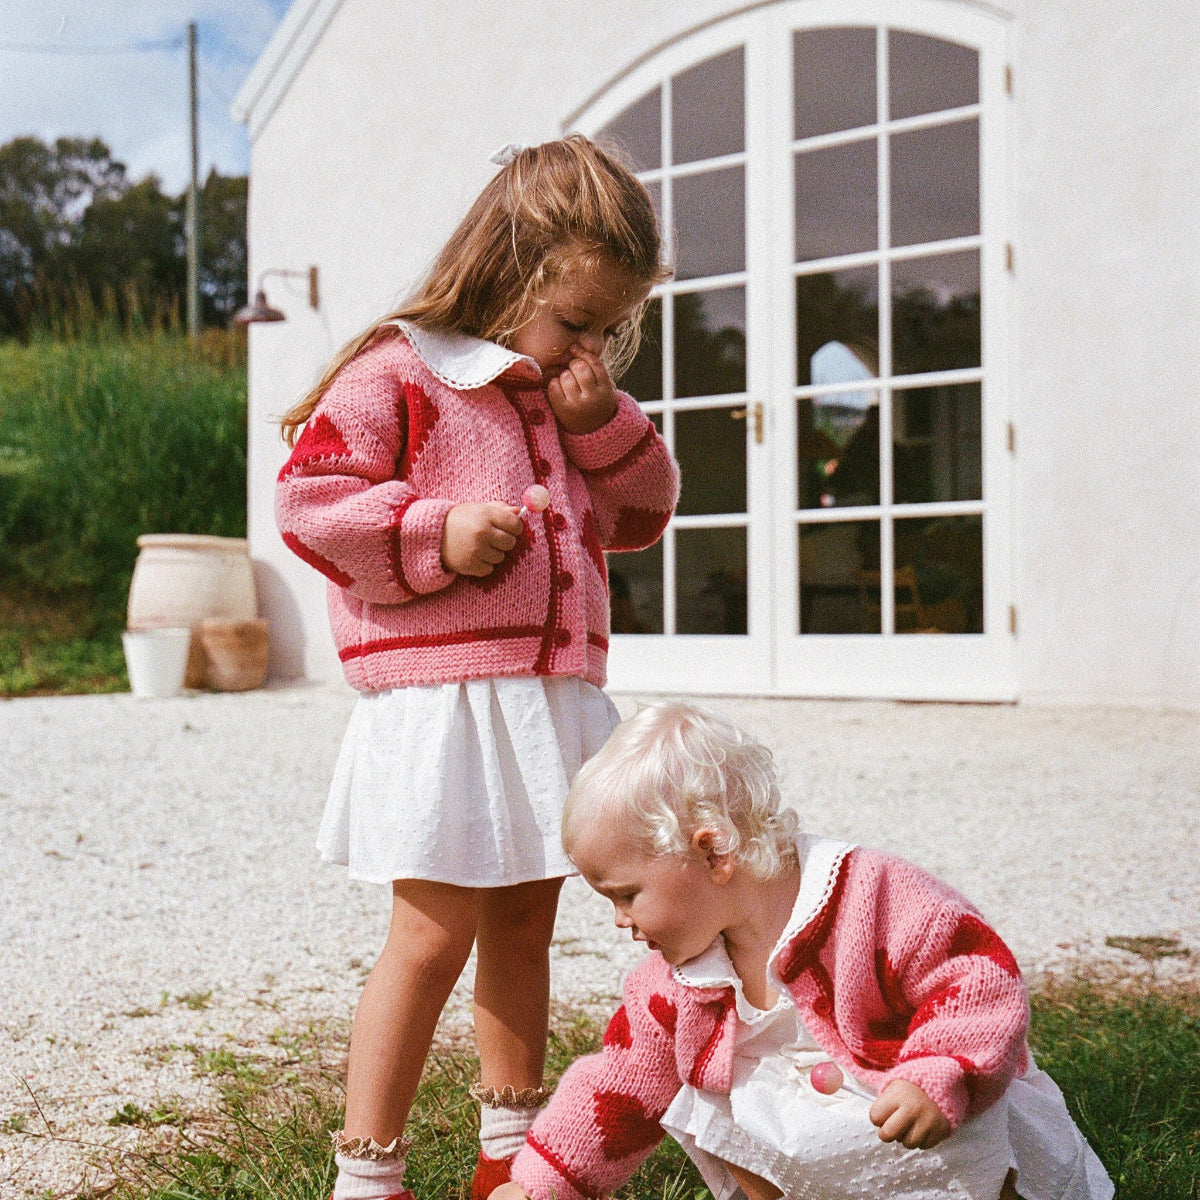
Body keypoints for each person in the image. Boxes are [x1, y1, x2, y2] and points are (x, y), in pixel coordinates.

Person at [274, 136, 679, 1200]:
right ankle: (368, 1174)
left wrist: (605, 428)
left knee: (524, 920)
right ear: (510, 272)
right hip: (443, 702)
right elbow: (310, 505)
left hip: (544, 699)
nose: (591, 346)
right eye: (578, 321)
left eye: (609, 327)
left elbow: (644, 515)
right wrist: (432, 533)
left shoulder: (571, 401)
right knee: (431, 930)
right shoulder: (401, 372)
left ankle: (513, 1156)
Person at [489, 703, 1113, 1200]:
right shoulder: (676, 979)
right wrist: (539, 1184)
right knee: (706, 1099)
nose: (620, 921)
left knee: (972, 1144)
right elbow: (619, 1086)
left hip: (919, 1121)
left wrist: (939, 1072)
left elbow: (974, 977)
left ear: (713, 852)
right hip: (822, 1147)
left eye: (627, 895)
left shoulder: (870, 896)